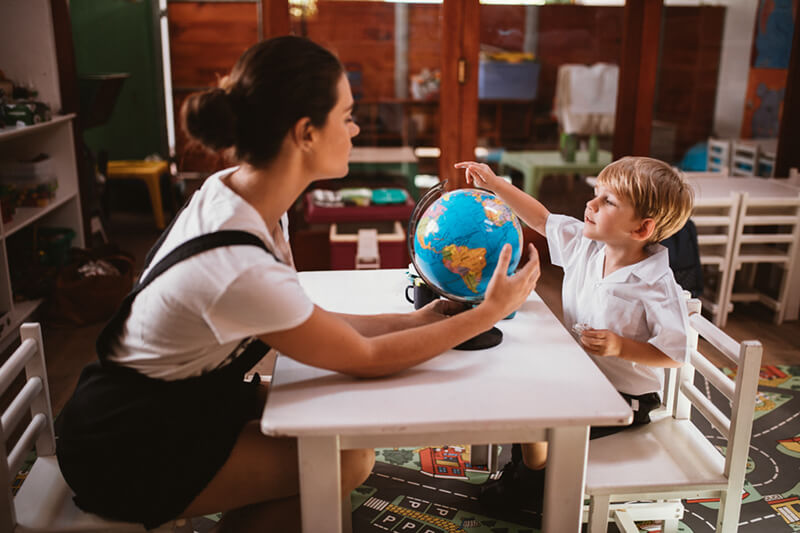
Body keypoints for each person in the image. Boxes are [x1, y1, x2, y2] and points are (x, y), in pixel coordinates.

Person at [54, 36, 541, 532]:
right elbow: (364, 360)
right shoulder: (239, 259)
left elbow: (303, 317)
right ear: (306, 132)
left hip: (179, 403)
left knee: (345, 445)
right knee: (342, 460)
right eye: (347, 115)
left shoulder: (241, 193)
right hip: (127, 443)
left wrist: (412, 320)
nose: (354, 129)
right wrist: (485, 314)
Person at [454, 156, 693, 512]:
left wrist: (620, 346)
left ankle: (536, 488)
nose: (590, 204)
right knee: (517, 388)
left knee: (538, 418)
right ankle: (533, 473)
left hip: (626, 398)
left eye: (607, 201)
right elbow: (540, 218)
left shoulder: (656, 285)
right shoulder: (586, 246)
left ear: (641, 230)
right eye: (595, 193)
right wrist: (495, 185)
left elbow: (675, 353)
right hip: (581, 378)